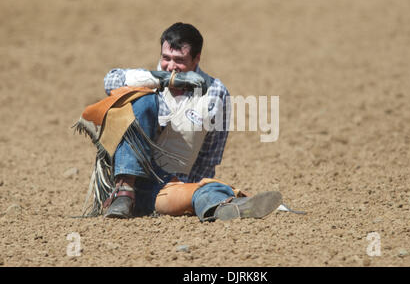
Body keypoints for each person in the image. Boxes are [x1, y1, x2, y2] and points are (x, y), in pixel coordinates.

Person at [81, 22, 282, 221]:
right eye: (165, 58)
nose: (170, 66)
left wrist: (190, 187)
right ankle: (124, 191)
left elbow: (210, 154)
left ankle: (229, 207)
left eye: (179, 60)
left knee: (207, 189)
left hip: (169, 188)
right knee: (143, 99)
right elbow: (110, 80)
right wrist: (163, 79)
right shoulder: (145, 82)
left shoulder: (216, 92)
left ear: (197, 59)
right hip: (132, 184)